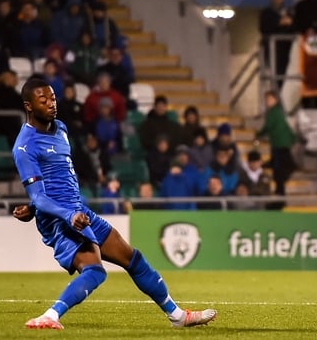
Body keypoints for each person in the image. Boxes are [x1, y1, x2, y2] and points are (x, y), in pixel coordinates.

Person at [11, 77, 217, 330]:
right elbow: (40, 196)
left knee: (133, 259)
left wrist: (34, 208)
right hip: (60, 219)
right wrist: (56, 212)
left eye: (53, 98)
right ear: (29, 106)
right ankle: (50, 316)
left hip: (78, 211)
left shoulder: (60, 128)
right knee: (95, 271)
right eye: (43, 100)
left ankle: (177, 316)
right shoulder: (24, 146)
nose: (51, 104)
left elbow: (56, 179)